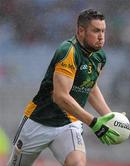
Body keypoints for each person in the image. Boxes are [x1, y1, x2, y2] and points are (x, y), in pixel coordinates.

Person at [8, 9, 120, 166]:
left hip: (68, 124)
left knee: (77, 164)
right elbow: (60, 97)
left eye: (103, 31)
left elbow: (90, 86)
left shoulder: (99, 56)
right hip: (38, 122)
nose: (101, 37)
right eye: (96, 31)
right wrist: (94, 122)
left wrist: (109, 117)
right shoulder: (68, 51)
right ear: (81, 30)